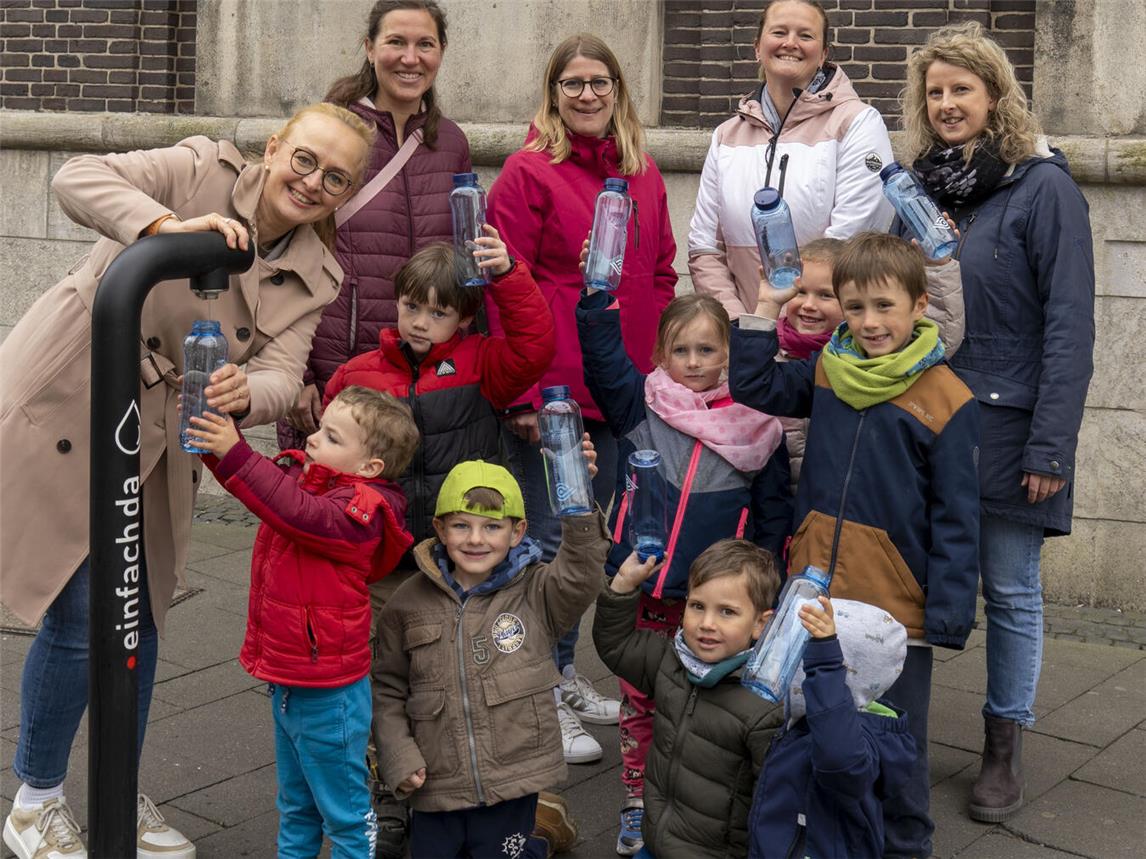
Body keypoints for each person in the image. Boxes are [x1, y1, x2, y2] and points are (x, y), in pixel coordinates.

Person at [0, 103, 375, 859]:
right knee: (80, 607)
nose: (311, 182)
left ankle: (117, 780)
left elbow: (282, 372)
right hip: (75, 390)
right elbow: (78, 176)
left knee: (138, 616)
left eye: (334, 177)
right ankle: (35, 800)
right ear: (276, 147)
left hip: (165, 429)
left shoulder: (317, 270)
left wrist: (249, 393)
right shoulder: (201, 167)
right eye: (304, 159)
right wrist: (156, 224)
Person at [897, 22, 1095, 825]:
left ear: (994, 97)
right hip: (922, 423)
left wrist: (1052, 443)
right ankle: (899, 735)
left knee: (1009, 591)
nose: (947, 105)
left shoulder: (1043, 188)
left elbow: (1070, 326)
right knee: (911, 585)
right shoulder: (917, 187)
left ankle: (1003, 747)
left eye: (961, 91)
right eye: (935, 93)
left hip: (1012, 430)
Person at [728, 232, 981, 858]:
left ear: (919, 306)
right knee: (812, 723)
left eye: (884, 306)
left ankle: (905, 844)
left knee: (896, 740)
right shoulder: (826, 371)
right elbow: (753, 386)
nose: (870, 322)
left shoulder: (948, 398)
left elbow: (957, 514)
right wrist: (764, 304)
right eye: (857, 306)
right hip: (816, 591)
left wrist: (946, 612)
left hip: (897, 604)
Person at [487, 31, 677, 765]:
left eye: (600, 82)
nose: (588, 94)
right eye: (574, 84)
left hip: (620, 388)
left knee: (589, 545)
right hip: (554, 392)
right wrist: (528, 396)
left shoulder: (645, 172)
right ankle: (529, 693)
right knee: (543, 543)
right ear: (554, 93)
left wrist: (650, 364)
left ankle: (560, 674)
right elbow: (504, 287)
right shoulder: (529, 172)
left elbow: (660, 272)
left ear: (618, 91)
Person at [577, 288, 792, 854]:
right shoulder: (638, 404)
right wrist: (598, 292)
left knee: (697, 715)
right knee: (641, 705)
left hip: (710, 601)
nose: (694, 363)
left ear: (728, 353)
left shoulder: (755, 424)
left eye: (707, 349)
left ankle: (702, 809)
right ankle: (634, 802)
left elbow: (773, 514)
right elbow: (601, 358)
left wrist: (767, 580)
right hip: (643, 588)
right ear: (660, 353)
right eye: (681, 350)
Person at [187, 387, 418, 857]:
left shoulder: (360, 513)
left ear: (370, 467)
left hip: (329, 691)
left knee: (346, 815)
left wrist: (233, 450)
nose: (313, 440)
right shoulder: (313, 481)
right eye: (319, 429)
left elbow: (296, 512)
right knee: (296, 806)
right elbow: (259, 491)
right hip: (292, 678)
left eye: (331, 437)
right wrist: (213, 443)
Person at [372, 457, 610, 859]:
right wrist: (398, 754)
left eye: (492, 526)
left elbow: (581, 572)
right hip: (435, 781)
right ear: (440, 529)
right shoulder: (407, 603)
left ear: (517, 532)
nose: (475, 539)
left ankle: (537, 836)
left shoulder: (537, 593)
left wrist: (579, 499)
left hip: (512, 780)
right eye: (461, 525)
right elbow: (387, 687)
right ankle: (542, 833)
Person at [281, 0, 472, 451]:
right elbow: (284, 247)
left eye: (425, 44)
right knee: (325, 508)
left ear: (441, 51)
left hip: (423, 372)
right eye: (396, 42)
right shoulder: (331, 129)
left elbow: (462, 266)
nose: (410, 58)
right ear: (369, 48)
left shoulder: (451, 143)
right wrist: (296, 373)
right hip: (335, 364)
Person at [688, 0, 894, 320]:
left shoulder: (858, 124)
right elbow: (705, 248)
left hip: (820, 338)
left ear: (824, 53)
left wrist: (790, 325)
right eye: (779, 32)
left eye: (806, 36)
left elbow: (851, 243)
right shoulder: (725, 137)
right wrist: (742, 327)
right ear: (758, 47)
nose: (791, 43)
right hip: (741, 338)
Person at [592, 540, 786, 859]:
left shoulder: (763, 707)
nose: (707, 623)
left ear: (760, 624)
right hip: (654, 840)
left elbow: (776, 802)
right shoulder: (671, 660)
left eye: (727, 612)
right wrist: (623, 585)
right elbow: (617, 645)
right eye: (697, 606)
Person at [774, 237, 964, 493]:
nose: (809, 305)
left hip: (854, 508)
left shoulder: (878, 356)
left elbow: (940, 329)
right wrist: (766, 306)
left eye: (825, 295)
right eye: (800, 292)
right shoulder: (773, 350)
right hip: (784, 506)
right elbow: (752, 384)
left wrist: (939, 265)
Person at [747, 599, 916, 859]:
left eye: (797, 654)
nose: (783, 662)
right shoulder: (802, 722)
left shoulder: (853, 737)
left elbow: (839, 760)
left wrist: (823, 660)